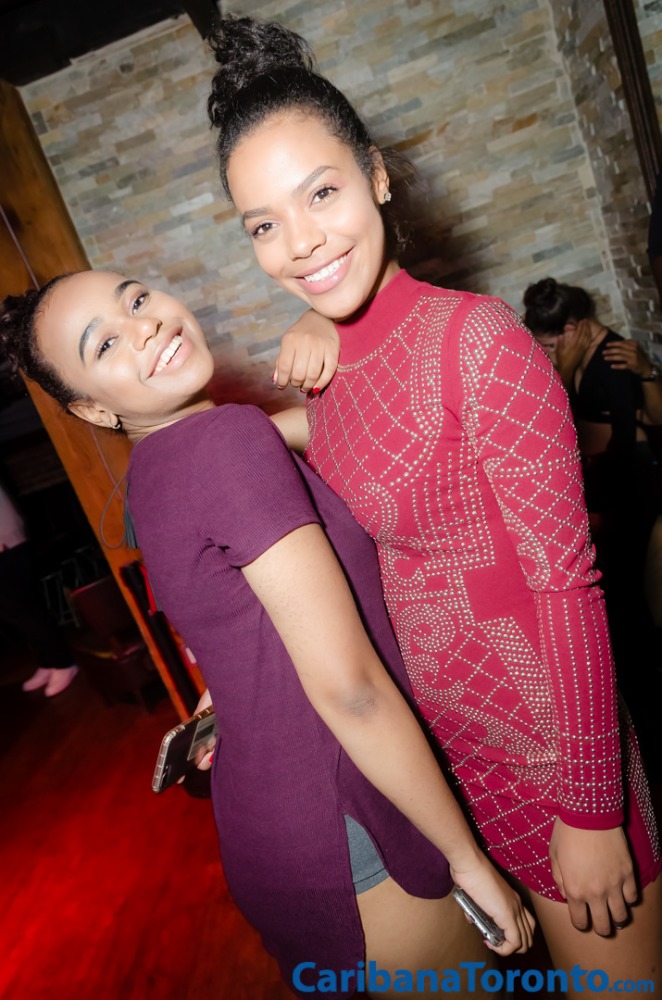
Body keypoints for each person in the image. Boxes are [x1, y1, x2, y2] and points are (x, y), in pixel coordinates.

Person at [206, 14, 662, 989]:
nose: (299, 242)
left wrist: (591, 809)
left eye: (320, 192)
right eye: (263, 224)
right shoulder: (328, 375)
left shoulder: (479, 340)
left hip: (554, 754)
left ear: (376, 176)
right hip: (449, 763)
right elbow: (315, 480)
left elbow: (567, 584)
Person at [0, 271, 535, 999]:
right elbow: (351, 691)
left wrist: (323, 324)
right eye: (106, 344)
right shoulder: (225, 441)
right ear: (92, 407)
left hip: (271, 825)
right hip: (351, 817)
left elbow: (237, 605)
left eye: (137, 299)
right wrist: (466, 860)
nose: (144, 326)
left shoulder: (152, 472)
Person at [522, 277, 662, 754]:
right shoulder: (580, 353)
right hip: (613, 488)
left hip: (634, 486)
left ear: (571, 329)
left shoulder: (612, 358)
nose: (546, 353)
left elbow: (622, 437)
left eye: (548, 344)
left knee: (633, 602)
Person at [0, 478, 78, 696]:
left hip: (5, 541)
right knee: (13, 611)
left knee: (23, 609)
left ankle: (63, 663)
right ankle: (48, 661)